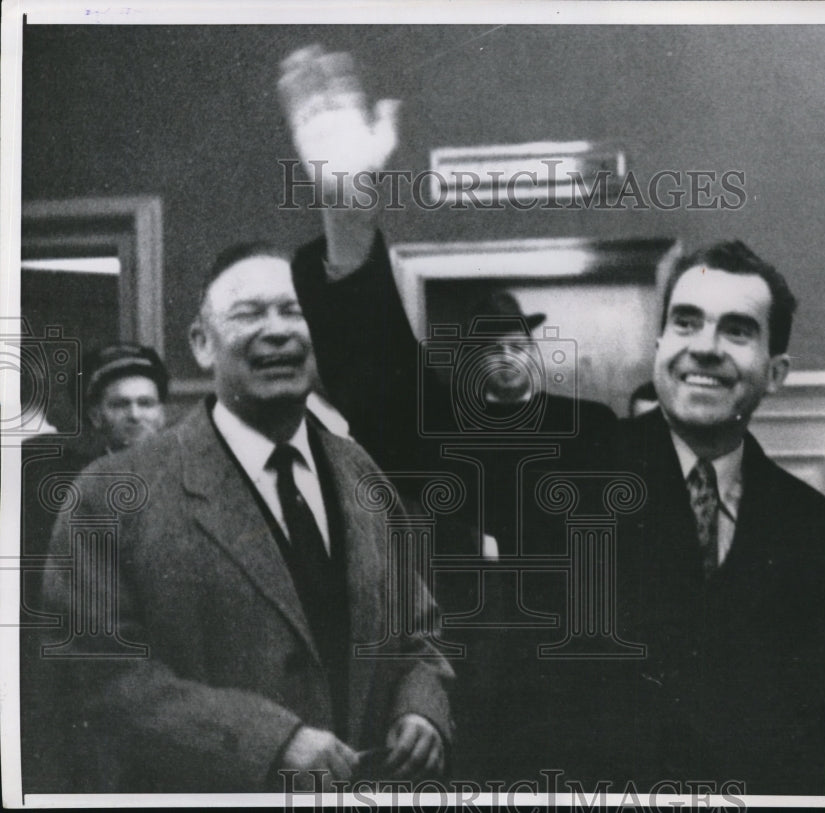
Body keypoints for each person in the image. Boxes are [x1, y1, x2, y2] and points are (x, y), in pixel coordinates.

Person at [279, 47, 616, 783]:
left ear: (536, 349)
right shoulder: (446, 424)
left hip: (590, 699)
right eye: (488, 344)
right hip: (469, 693)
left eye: (516, 342)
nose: (504, 357)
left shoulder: (595, 429)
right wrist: (347, 214)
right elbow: (380, 384)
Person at [39, 243, 453, 793]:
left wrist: (421, 708)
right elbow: (94, 673)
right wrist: (269, 743)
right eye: (249, 314)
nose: (277, 330)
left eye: (294, 311)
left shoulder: (362, 472)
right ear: (201, 345)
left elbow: (416, 629)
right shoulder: (111, 493)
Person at [599, 240, 825, 794]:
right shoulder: (569, 480)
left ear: (775, 372)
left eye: (737, 330)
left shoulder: (824, 534)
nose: (705, 348)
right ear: (660, 345)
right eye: (686, 323)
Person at [20, 343, 170, 791]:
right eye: (119, 404)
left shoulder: (190, 472)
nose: (135, 415)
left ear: (163, 410)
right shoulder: (66, 483)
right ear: (96, 415)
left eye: (147, 403)